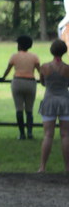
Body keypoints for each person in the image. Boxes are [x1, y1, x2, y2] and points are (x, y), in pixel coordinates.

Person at [0, 35, 41, 140]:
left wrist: (3, 78)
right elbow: (40, 71)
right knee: (29, 110)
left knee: (19, 109)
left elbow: (8, 69)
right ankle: (30, 133)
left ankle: (22, 134)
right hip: (30, 83)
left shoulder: (14, 56)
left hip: (17, 82)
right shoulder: (34, 57)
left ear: (20, 45)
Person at [37, 39, 69, 173]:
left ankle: (42, 167)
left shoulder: (44, 67)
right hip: (65, 101)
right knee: (66, 135)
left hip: (49, 100)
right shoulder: (67, 68)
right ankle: (67, 167)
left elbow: (42, 82)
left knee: (48, 135)